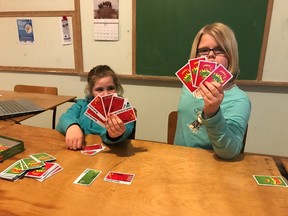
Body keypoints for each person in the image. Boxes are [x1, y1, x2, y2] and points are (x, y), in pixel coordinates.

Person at [174, 22, 251, 160]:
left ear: (230, 55)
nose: (210, 55)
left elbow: (230, 152)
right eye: (203, 50)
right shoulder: (188, 87)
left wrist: (213, 112)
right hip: (180, 162)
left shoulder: (240, 99)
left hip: (214, 170)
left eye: (219, 50)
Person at [56, 65, 135, 150]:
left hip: (111, 153)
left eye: (111, 88)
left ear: (117, 88)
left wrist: (115, 135)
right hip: (80, 150)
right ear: (91, 91)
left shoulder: (124, 107)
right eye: (99, 90)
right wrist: (72, 126)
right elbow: (65, 118)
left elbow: (128, 128)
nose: (106, 94)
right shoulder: (82, 104)